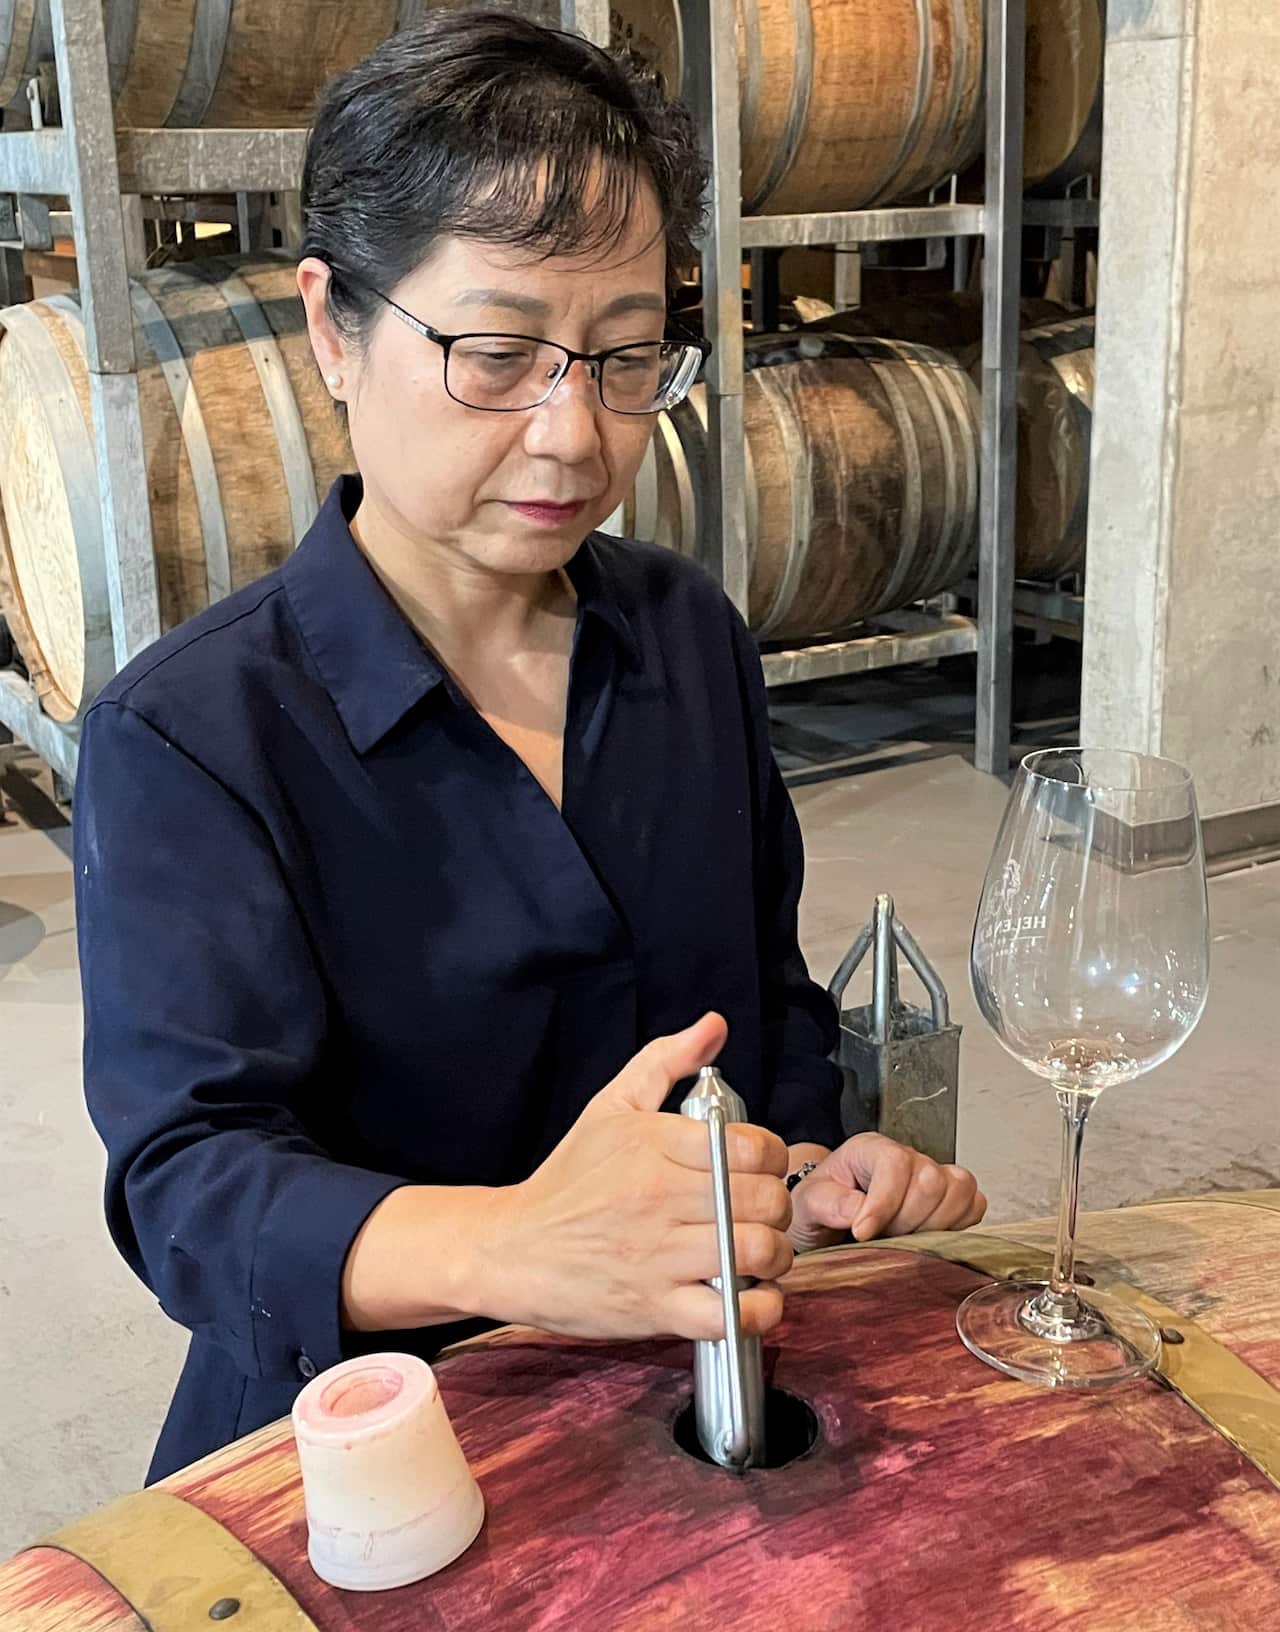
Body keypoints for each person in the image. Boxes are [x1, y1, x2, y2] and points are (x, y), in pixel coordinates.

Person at [75, 10, 985, 1484]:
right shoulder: (192, 733)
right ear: (332, 327)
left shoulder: (687, 637)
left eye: (627, 359)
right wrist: (518, 1245)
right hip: (372, 1449)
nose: (574, 436)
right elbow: (195, 1188)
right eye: (496, 354)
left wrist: (808, 1178)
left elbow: (761, 1002)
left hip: (690, 1408)